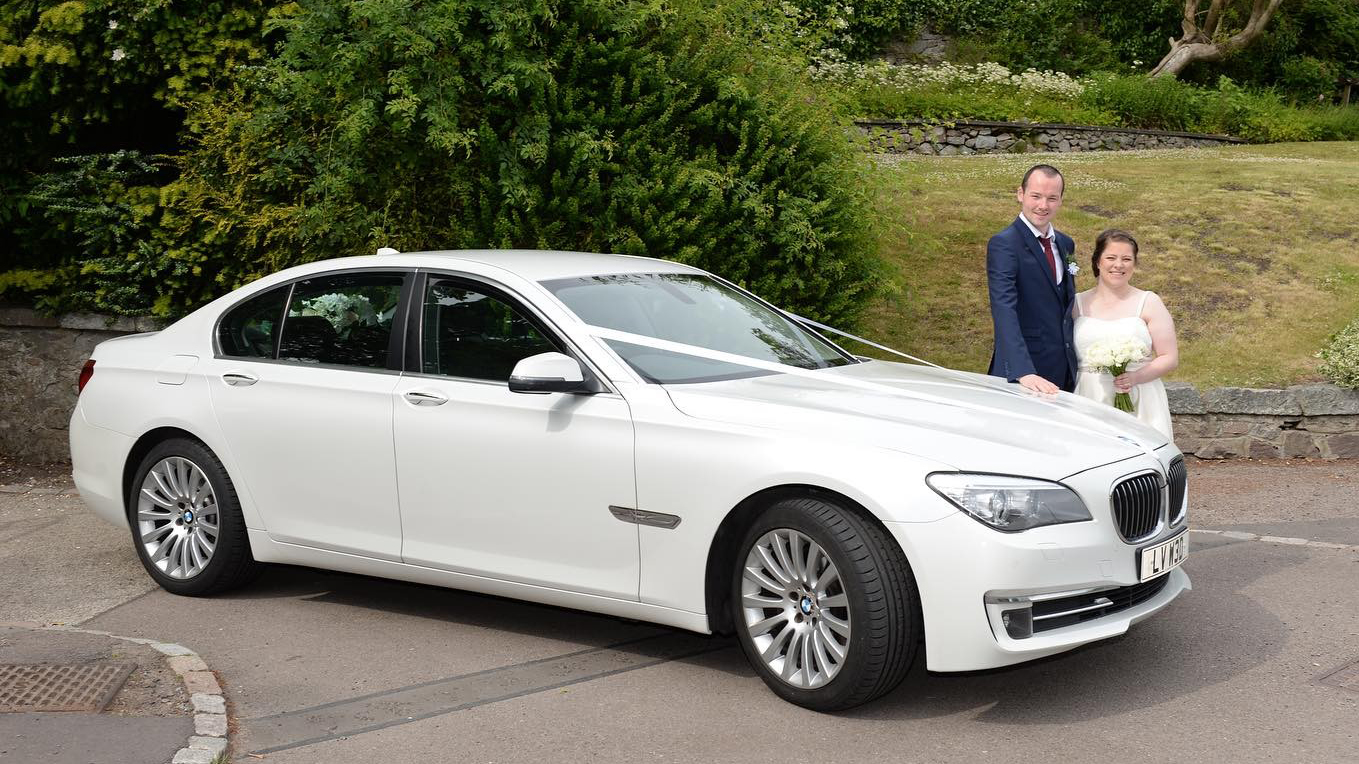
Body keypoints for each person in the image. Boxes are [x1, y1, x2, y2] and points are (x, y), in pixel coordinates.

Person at [1072, 229, 1178, 439]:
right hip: (1089, 396)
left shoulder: (1149, 302)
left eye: (1126, 259)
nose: (1118, 265)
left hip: (1140, 396)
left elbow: (1169, 357)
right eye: (1110, 257)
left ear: (1134, 264)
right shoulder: (1076, 304)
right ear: (1097, 262)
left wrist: (1135, 377)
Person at [987, 164, 1078, 394]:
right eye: (1036, 196)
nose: (1043, 206)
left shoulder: (1066, 244)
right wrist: (1022, 371)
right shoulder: (1004, 244)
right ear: (1021, 194)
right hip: (1023, 375)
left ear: (1060, 200)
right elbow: (1003, 308)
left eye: (1051, 198)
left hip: (1063, 370)